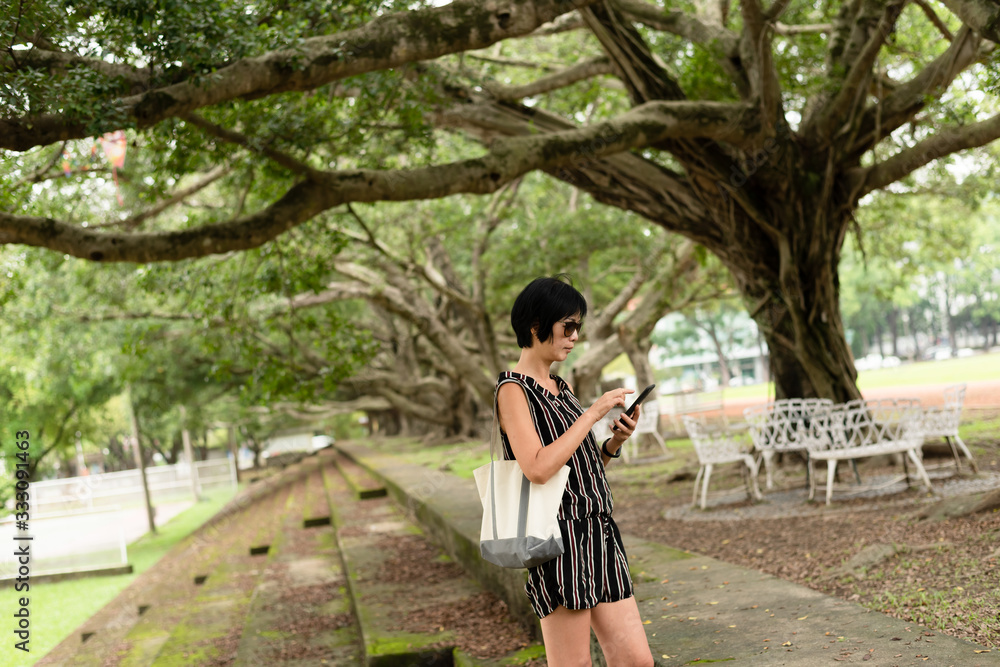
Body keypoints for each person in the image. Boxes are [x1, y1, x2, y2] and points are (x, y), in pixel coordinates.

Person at [496, 275, 654, 667]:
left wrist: (612, 443)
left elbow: (578, 467)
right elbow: (537, 468)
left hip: (599, 533)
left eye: (577, 327)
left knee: (636, 661)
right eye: (567, 326)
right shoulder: (512, 390)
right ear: (536, 326)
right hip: (557, 541)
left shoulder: (561, 388)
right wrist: (594, 412)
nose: (574, 336)